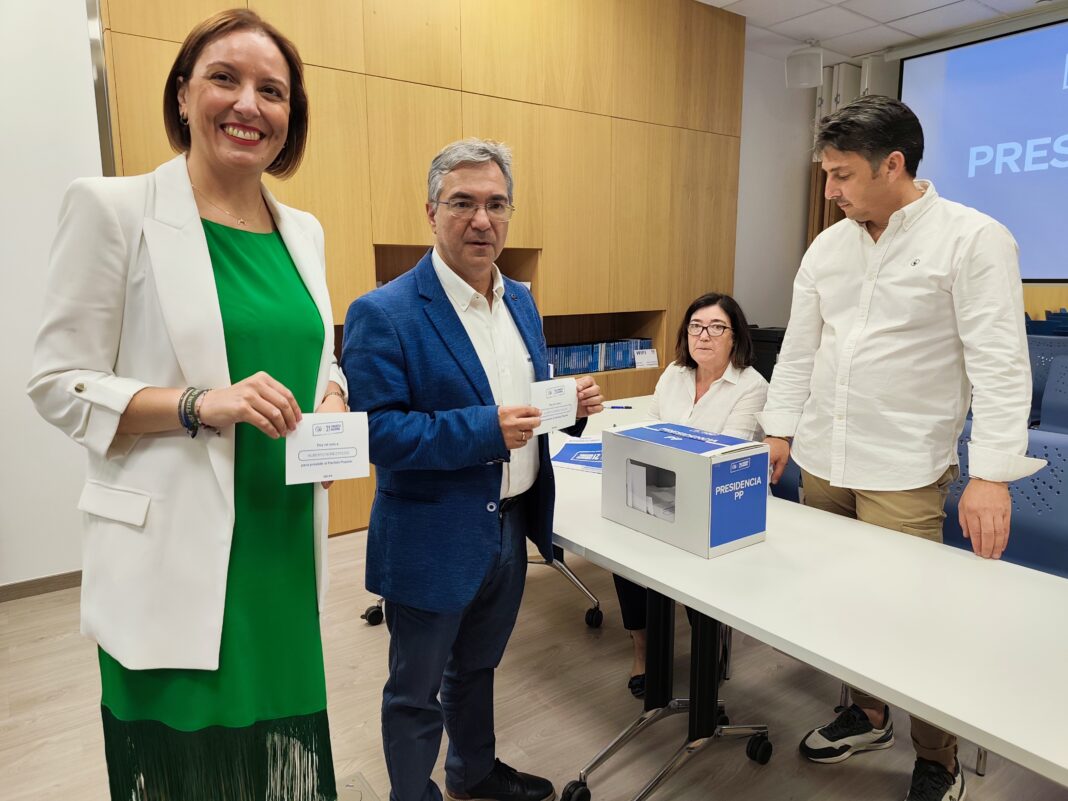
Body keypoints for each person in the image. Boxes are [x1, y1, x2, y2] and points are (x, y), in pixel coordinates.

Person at [27, 10, 346, 799]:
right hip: (170, 548)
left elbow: (318, 351)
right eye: (224, 79)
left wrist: (334, 394)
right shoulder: (114, 209)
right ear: (181, 94)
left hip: (279, 539)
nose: (249, 104)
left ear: (291, 116)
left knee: (274, 761)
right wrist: (199, 402)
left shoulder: (304, 231)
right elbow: (56, 381)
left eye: (272, 91)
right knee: (188, 771)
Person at [759, 95, 1044, 801]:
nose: (830, 190)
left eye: (843, 175)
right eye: (827, 174)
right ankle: (867, 713)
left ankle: (938, 759)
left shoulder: (973, 239)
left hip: (904, 467)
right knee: (839, 600)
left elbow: (1001, 364)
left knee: (915, 623)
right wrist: (778, 429)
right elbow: (800, 350)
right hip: (824, 457)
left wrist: (992, 475)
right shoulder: (829, 247)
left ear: (893, 165)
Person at [341, 138, 603, 801]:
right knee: (415, 690)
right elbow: (377, 432)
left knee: (479, 666)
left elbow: (526, 397)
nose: (481, 220)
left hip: (510, 524)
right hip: (431, 533)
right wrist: (484, 429)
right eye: (463, 202)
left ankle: (472, 772)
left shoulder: (521, 301)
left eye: (496, 204)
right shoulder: (384, 312)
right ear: (431, 212)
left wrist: (567, 406)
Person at [613, 292, 769, 698]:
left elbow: (725, 452)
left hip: (715, 501)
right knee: (624, 545)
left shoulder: (751, 386)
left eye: (717, 327)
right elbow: (650, 429)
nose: (704, 336)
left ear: (735, 337)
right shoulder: (674, 374)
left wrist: (668, 456)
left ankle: (708, 648)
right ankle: (644, 649)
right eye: (696, 327)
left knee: (697, 565)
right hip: (664, 486)